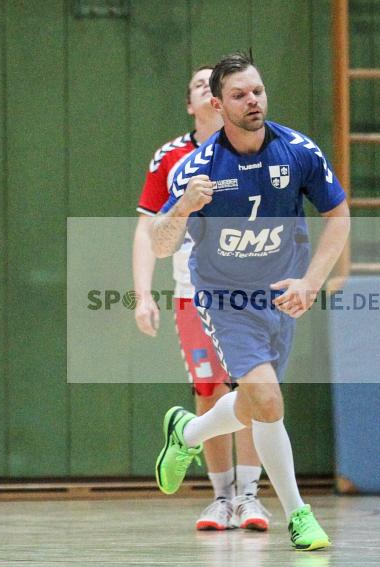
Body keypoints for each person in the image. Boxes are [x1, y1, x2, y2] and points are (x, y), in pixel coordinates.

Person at [151, 51, 350, 551]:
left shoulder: (299, 151)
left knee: (258, 401)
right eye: (239, 95)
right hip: (224, 296)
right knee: (267, 398)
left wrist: (311, 282)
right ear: (218, 106)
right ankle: (299, 516)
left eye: (257, 91)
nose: (253, 100)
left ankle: (187, 433)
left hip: (282, 294)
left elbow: (340, 216)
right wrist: (184, 205)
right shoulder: (197, 168)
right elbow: (159, 243)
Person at [134, 65, 269, 531]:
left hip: (249, 291)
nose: (206, 90)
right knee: (208, 390)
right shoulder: (171, 158)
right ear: (195, 105)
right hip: (194, 294)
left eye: (213, 83)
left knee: (252, 388)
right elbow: (146, 227)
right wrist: (141, 294)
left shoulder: (259, 148)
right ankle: (220, 496)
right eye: (196, 84)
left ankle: (250, 495)